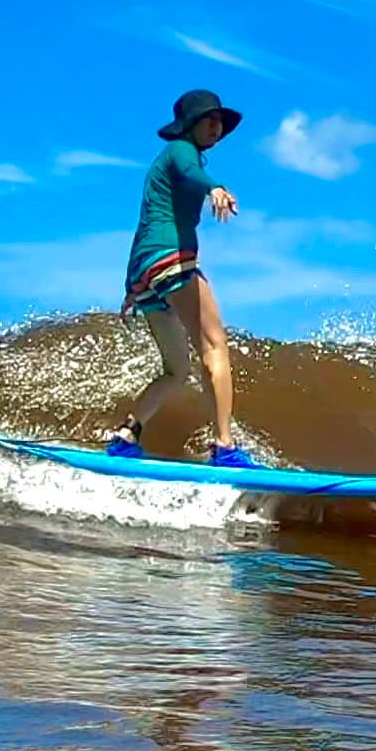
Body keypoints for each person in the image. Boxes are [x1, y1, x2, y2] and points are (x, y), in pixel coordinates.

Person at [109, 89, 259, 468]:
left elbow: (146, 222)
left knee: (176, 370)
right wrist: (216, 187)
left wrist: (134, 286)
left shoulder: (169, 159)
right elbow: (192, 173)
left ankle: (127, 435)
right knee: (215, 346)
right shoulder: (181, 152)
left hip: (146, 269)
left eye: (219, 120)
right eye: (208, 118)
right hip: (170, 259)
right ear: (189, 124)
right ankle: (225, 447)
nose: (216, 125)